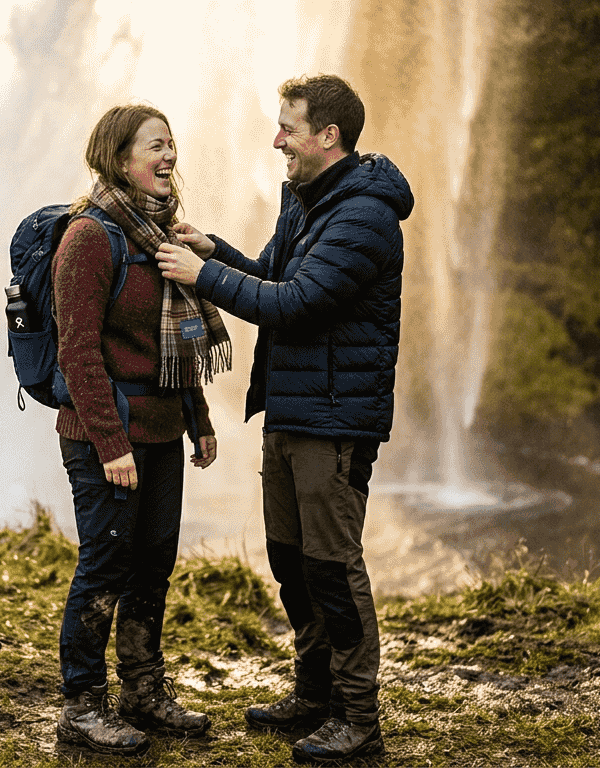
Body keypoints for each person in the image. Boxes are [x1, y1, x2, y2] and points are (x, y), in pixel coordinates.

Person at [156, 74, 413, 763]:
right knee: (291, 561)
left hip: (335, 421)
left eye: (288, 128)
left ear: (328, 136)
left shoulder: (365, 216)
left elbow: (294, 302)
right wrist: (215, 251)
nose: (277, 141)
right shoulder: (306, 199)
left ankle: (359, 720)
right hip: (295, 411)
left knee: (333, 568)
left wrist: (198, 276)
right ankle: (315, 695)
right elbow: (271, 273)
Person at [52, 103, 231, 756]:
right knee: (104, 566)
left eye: (172, 143)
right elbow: (78, 352)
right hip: (107, 436)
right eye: (155, 145)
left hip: (160, 431)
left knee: (152, 565)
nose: (169, 155)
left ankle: (143, 692)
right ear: (119, 157)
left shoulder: (161, 236)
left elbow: (180, 338)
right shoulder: (90, 237)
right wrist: (110, 444)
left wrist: (199, 419)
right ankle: (80, 706)